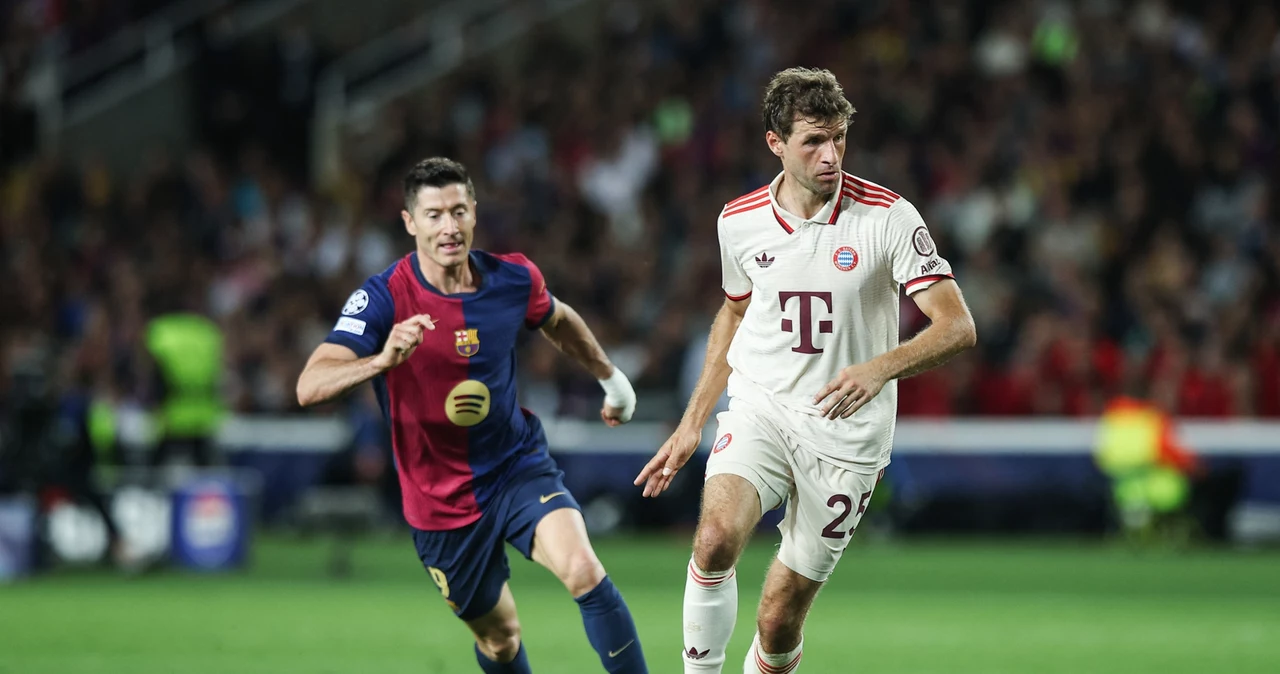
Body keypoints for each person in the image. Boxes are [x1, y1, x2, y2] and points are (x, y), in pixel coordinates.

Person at [634, 68, 978, 673]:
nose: (831, 155)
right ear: (776, 143)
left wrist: (880, 368)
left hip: (847, 436)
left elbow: (957, 326)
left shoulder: (888, 218)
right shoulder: (738, 221)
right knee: (714, 540)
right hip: (763, 407)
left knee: (778, 618)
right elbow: (735, 312)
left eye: (839, 138)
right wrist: (692, 423)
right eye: (813, 141)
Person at [297, 157, 649, 674]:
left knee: (583, 569)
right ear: (409, 222)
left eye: (458, 211)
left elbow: (557, 319)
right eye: (434, 214)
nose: (449, 227)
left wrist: (610, 378)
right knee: (502, 639)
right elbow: (309, 384)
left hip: (515, 467)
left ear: (475, 214)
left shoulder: (512, 278)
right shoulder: (382, 298)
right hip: (439, 500)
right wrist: (380, 360)